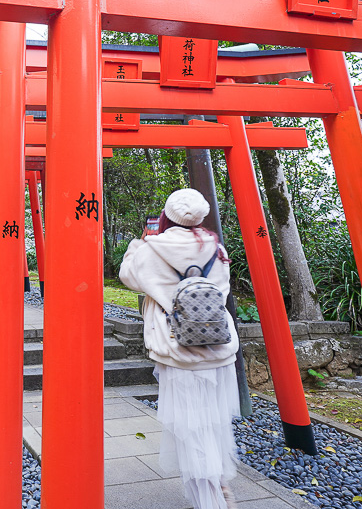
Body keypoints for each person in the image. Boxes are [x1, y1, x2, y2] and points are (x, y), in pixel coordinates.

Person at [118, 188, 240, 509]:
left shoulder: (152, 248)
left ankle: (211, 496)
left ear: (166, 216)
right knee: (212, 419)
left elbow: (128, 276)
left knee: (190, 425)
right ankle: (219, 480)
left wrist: (139, 242)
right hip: (216, 347)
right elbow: (222, 289)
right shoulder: (216, 248)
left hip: (177, 348)